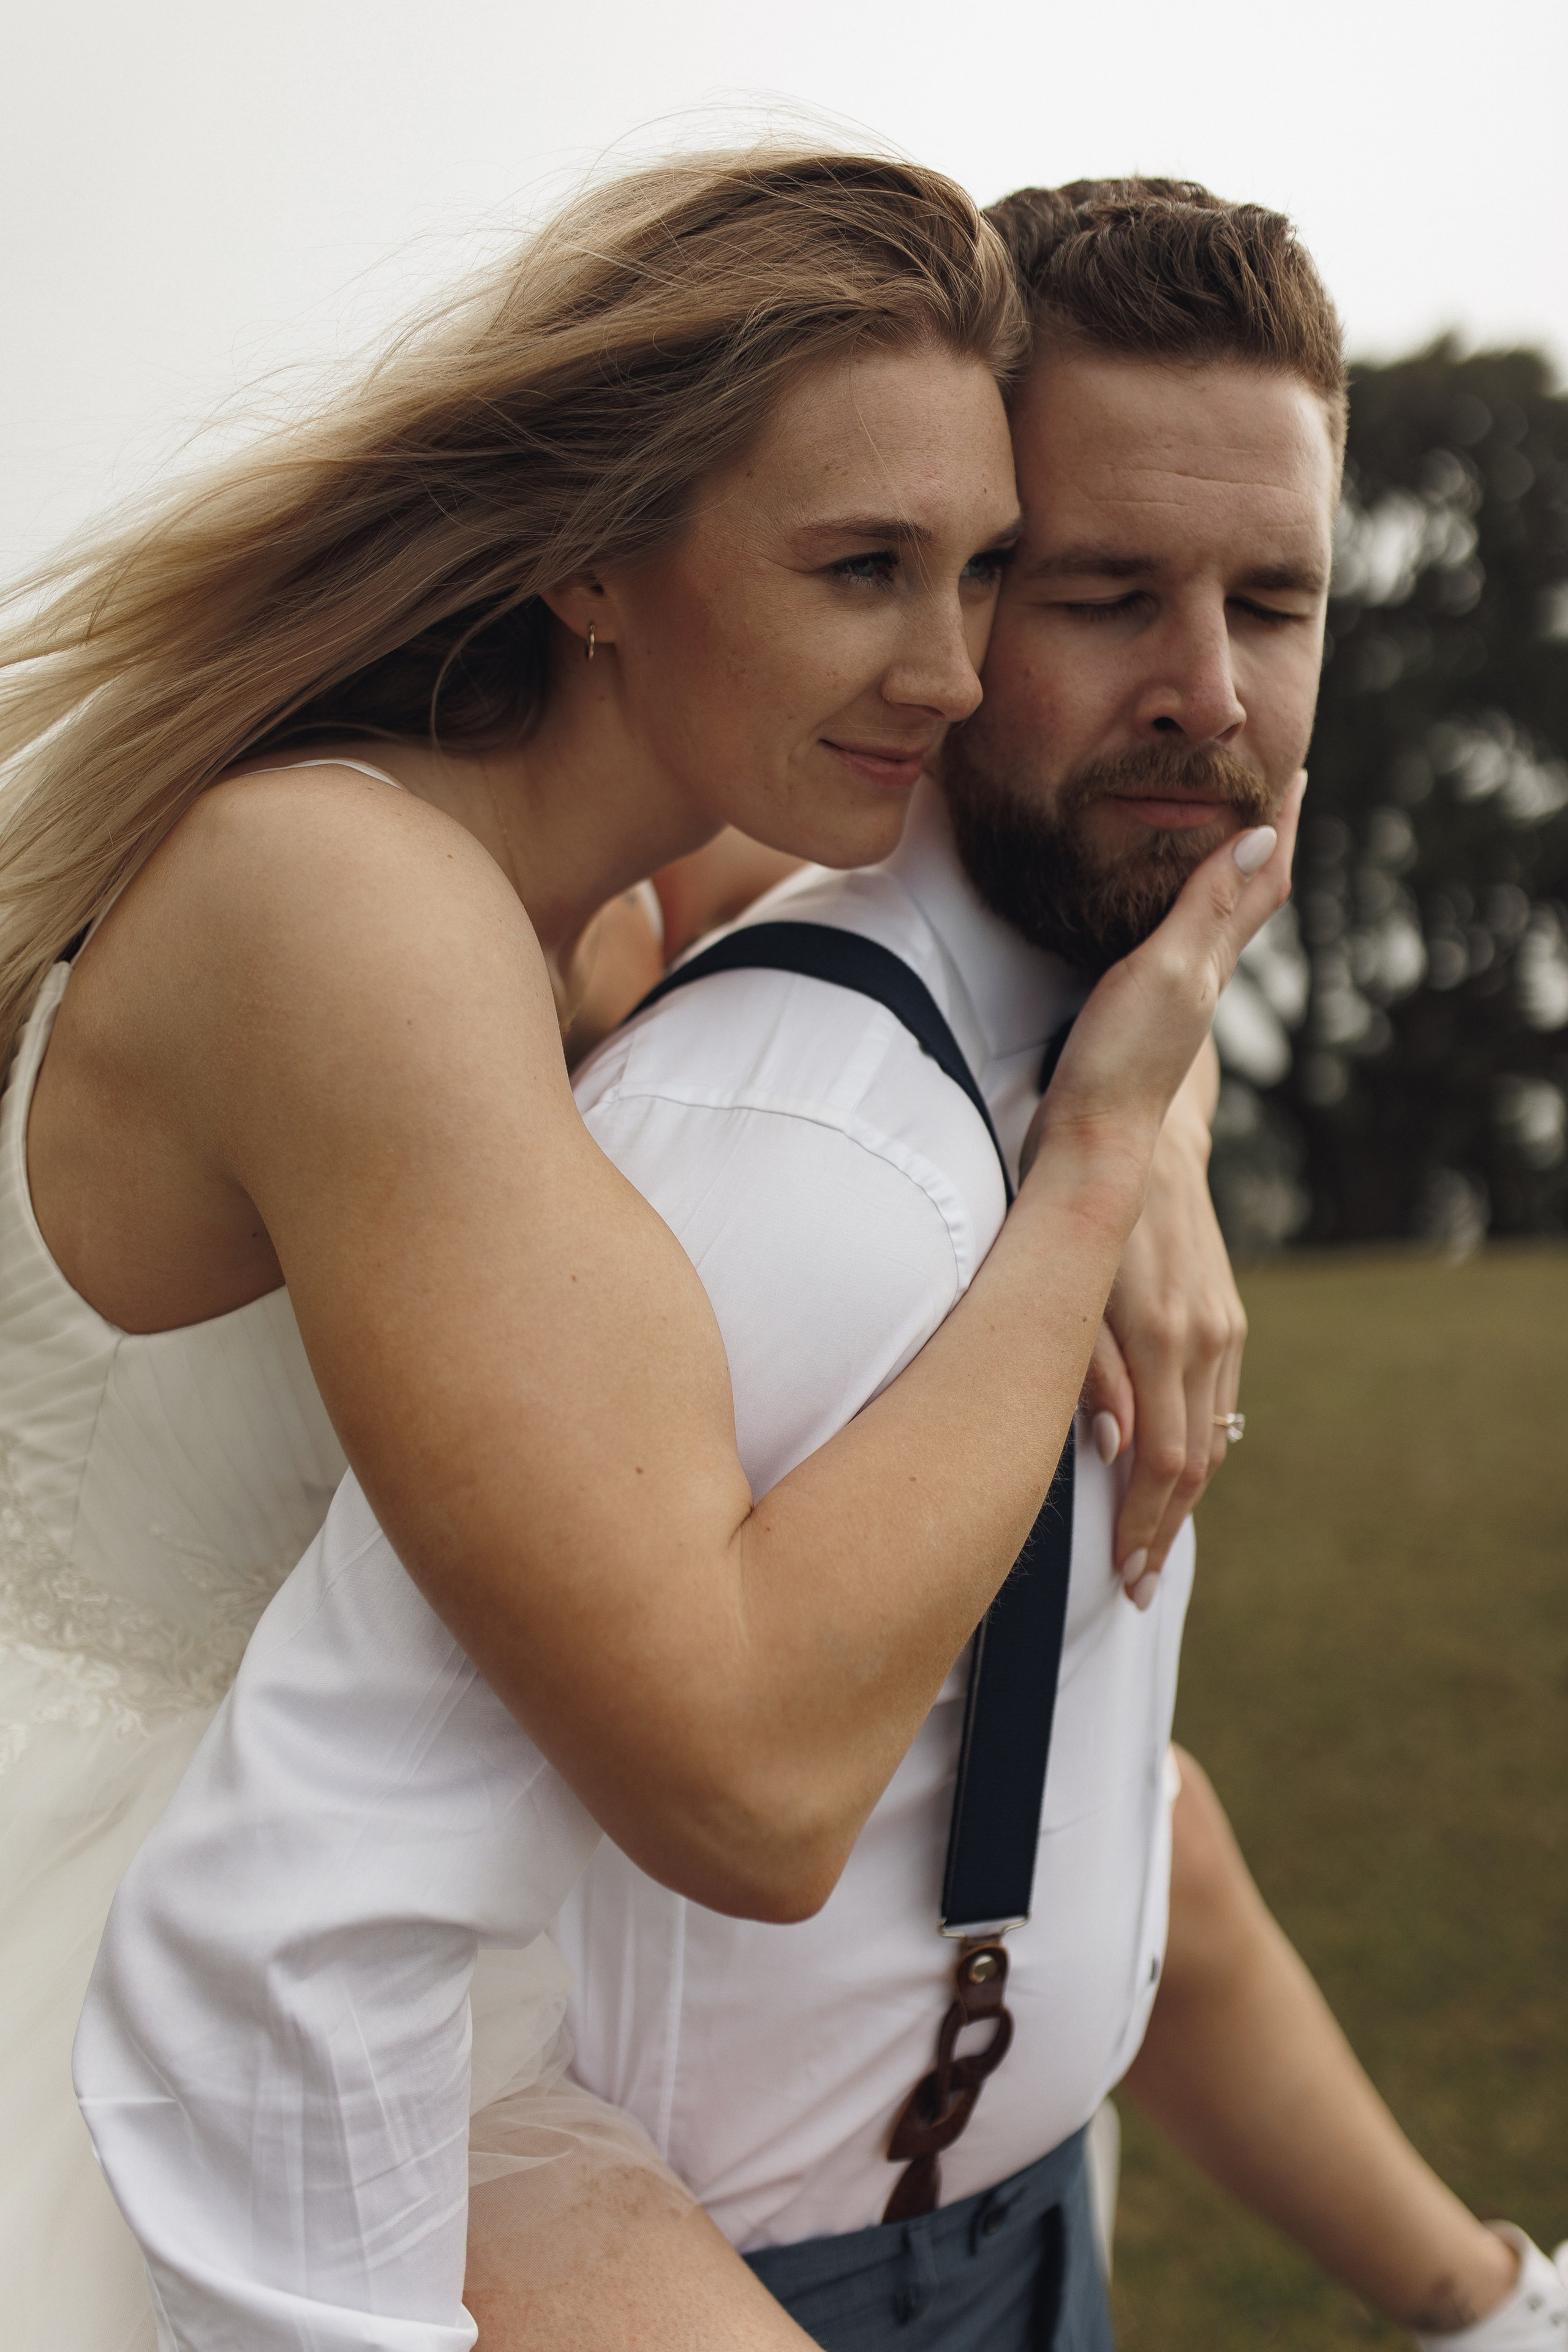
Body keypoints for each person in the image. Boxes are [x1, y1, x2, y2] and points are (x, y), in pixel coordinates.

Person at [0, 145, 1278, 2352]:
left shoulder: (609, 896)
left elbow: (1003, 953)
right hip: (153, 1960)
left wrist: (1158, 1121)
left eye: (984, 570)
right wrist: (1090, 1171)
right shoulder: (343, 906)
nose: (952, 669)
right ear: (594, 562)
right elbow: (746, 1782)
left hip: (403, 1900)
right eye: (861, 569)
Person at [530, 181, 1567, 2351]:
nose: (1210, 694)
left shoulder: (1100, 1013)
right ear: (960, 584)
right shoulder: (790, 1159)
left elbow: (1115, 1810)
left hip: (1020, 2233)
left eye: (1275, 601)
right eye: (1106, 595)